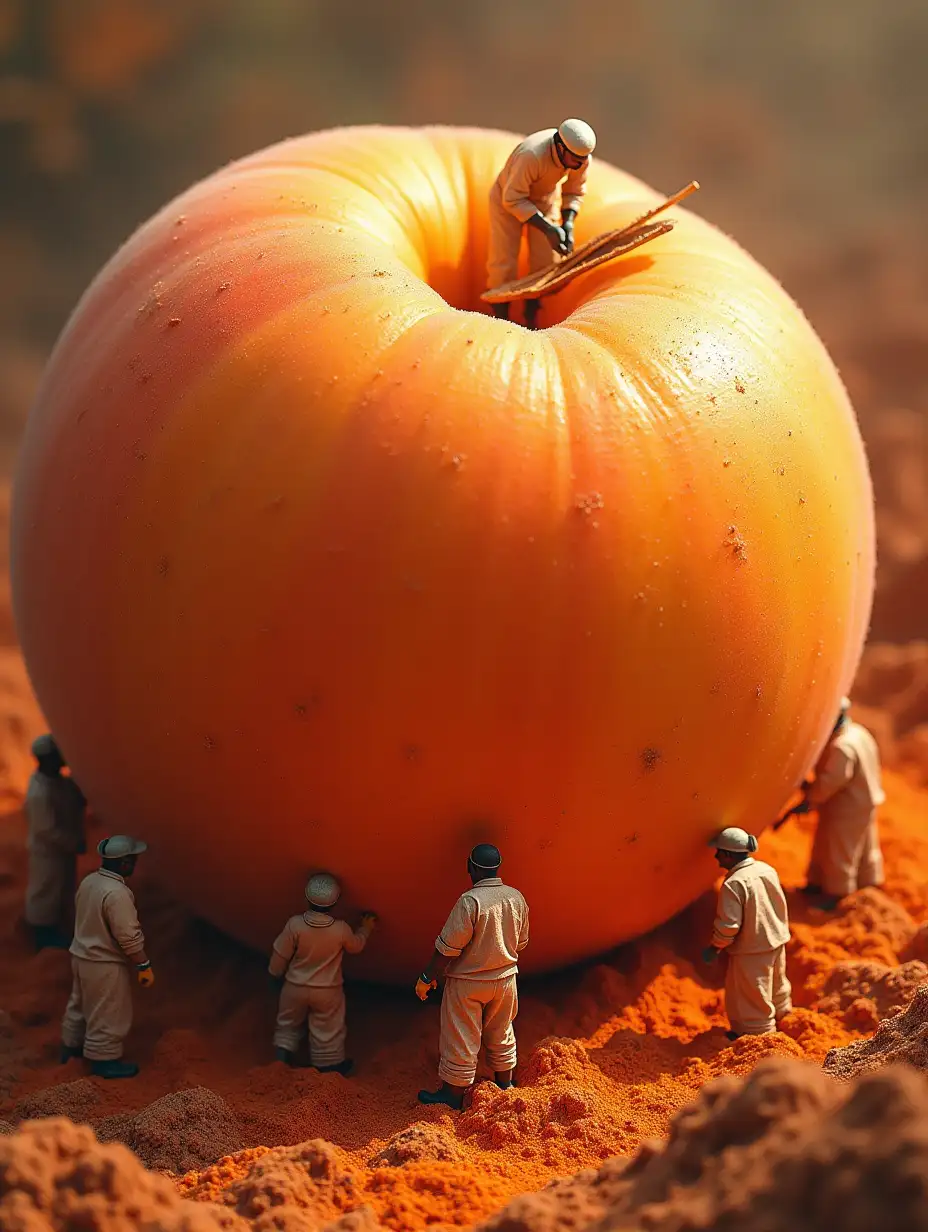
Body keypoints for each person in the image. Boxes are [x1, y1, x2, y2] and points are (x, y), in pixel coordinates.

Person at [415, 843, 530, 1110]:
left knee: (461, 1036)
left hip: (468, 983)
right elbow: (522, 941)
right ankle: (505, 1083)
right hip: (505, 980)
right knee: (502, 1030)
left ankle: (453, 1095)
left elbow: (447, 948)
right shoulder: (516, 898)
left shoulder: (470, 901)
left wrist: (426, 976)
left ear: (471, 867)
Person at [487, 119, 596, 329]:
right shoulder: (531, 156)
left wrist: (568, 224)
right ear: (560, 147)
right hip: (507, 200)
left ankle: (531, 316)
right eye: (575, 160)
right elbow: (512, 199)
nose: (579, 165)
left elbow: (575, 190)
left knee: (545, 263)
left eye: (582, 160)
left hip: (544, 199)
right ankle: (500, 319)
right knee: (503, 260)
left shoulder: (581, 158)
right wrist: (547, 228)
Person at [60, 835, 152, 1079]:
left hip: (80, 954)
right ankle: (104, 1061)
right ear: (124, 864)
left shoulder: (90, 881)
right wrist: (143, 963)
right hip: (103, 961)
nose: (135, 864)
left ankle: (71, 1047)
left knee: (79, 1003)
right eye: (132, 860)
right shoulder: (117, 893)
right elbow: (128, 935)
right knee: (109, 1011)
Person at [268, 872, 376, 1075]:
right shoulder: (341, 929)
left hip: (295, 986)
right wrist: (365, 928)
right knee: (327, 1029)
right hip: (327, 990)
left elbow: (280, 952)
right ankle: (328, 1069)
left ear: (307, 899)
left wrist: (274, 974)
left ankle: (280, 1063)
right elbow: (356, 946)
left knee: (287, 1023)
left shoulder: (295, 924)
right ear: (335, 903)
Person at [702, 827, 791, 1040]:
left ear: (728, 854)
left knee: (752, 996)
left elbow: (729, 926)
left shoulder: (734, 883)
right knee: (777, 986)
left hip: (752, 948)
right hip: (777, 939)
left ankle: (760, 1038)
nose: (716, 857)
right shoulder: (766, 869)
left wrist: (716, 946)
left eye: (719, 852)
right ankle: (786, 1019)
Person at [801, 696, 885, 910]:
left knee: (839, 850)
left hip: (845, 808)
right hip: (865, 800)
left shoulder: (841, 747)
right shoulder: (859, 733)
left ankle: (837, 894)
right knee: (865, 846)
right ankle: (869, 881)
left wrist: (811, 797)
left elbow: (831, 781)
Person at [24, 734, 87, 950]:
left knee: (62, 889)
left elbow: (74, 796)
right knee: (46, 892)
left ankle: (58, 928)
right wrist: (72, 842)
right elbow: (46, 830)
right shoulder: (39, 793)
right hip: (49, 853)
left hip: (62, 850)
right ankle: (43, 936)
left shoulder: (58, 782)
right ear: (47, 759)